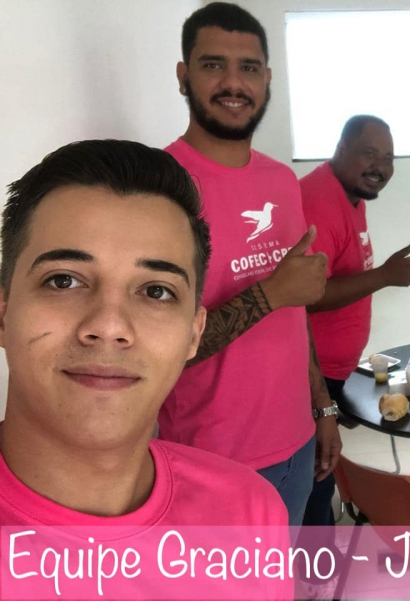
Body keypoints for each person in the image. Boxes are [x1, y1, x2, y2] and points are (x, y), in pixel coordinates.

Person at [0, 140, 288, 573]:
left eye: (156, 291)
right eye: (63, 281)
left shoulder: (251, 516)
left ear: (194, 333)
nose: (109, 325)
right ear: (3, 314)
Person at [158, 2, 341, 527]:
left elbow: (295, 308)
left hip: (297, 441)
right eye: (213, 65)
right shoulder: (162, 186)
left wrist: (322, 406)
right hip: (211, 459)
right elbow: (161, 346)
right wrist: (271, 293)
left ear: (267, 80)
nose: (233, 83)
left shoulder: (281, 180)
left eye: (249, 68)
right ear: (183, 76)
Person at [300, 115, 410, 526]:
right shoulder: (319, 202)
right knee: (316, 476)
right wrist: (385, 276)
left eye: (388, 158)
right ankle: (314, 560)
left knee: (322, 469)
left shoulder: (350, 196)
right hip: (310, 374)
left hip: (334, 370)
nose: (381, 167)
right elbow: (308, 294)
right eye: (370, 154)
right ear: (341, 150)